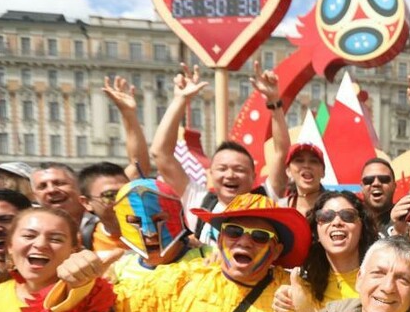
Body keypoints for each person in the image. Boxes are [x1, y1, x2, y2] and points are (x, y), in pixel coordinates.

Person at [15, 194, 309, 312]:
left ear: (275, 249)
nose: (244, 242)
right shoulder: (179, 282)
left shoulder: (298, 289)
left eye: (259, 236)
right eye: (233, 232)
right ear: (219, 240)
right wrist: (78, 287)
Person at [149, 62, 289, 245]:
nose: (230, 175)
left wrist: (274, 102)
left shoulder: (267, 198)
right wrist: (180, 100)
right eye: (222, 168)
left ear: (253, 175)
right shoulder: (198, 201)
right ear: (211, 174)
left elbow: (281, 151)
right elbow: (160, 153)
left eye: (239, 169)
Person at [0, 207, 77, 312]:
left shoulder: (87, 297)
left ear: (72, 251)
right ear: (10, 246)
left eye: (55, 239)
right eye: (29, 236)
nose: (40, 244)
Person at [274, 236, 410, 312]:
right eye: (378, 273)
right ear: (359, 280)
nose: (388, 287)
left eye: (402, 279)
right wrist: (292, 309)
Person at [364, 72, 410, 235]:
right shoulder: (350, 221)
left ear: (394, 185)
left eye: (384, 179)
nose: (376, 183)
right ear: (361, 187)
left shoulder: (403, 213)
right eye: (368, 180)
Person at [108, 178, 209, 281]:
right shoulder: (118, 272)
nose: (150, 233)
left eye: (160, 219)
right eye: (135, 221)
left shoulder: (209, 259)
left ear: (180, 218)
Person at [297, 190, 377, 304]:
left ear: (362, 230)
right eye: (326, 216)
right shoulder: (303, 285)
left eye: (348, 216)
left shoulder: (380, 281)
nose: (337, 222)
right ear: (316, 232)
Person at [77, 162, 129, 252]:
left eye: (127, 193)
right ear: (87, 203)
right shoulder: (83, 241)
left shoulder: (156, 235)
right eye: (110, 195)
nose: (122, 201)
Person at [282, 143, 328, 216]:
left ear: (323, 172)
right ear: (288, 171)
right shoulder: (280, 208)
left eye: (313, 161)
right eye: (299, 160)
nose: (306, 165)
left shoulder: (336, 206)